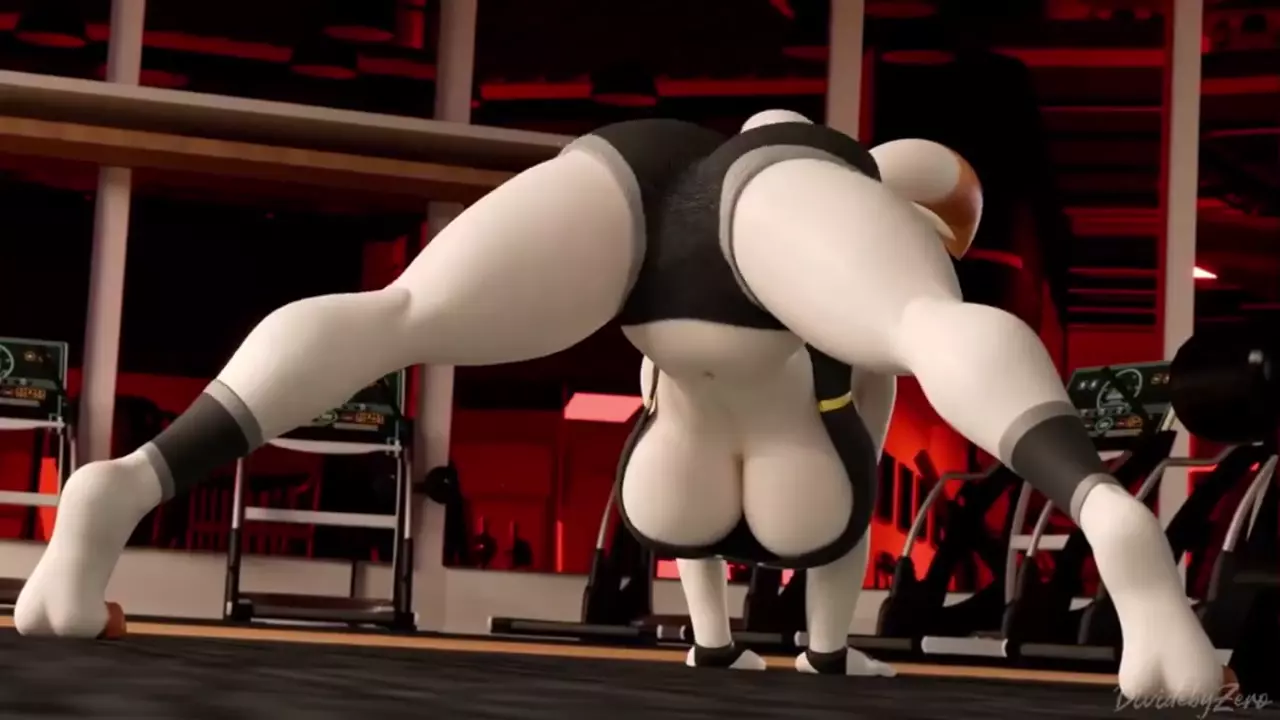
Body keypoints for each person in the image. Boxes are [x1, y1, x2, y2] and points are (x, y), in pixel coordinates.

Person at [17, 110, 1222, 700]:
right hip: (784, 211)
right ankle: (1104, 509)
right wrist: (823, 657)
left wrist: (722, 645)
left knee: (399, 312)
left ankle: (134, 478)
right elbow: (928, 251)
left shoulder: (723, 218)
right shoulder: (839, 183)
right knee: (915, 321)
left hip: (635, 179)